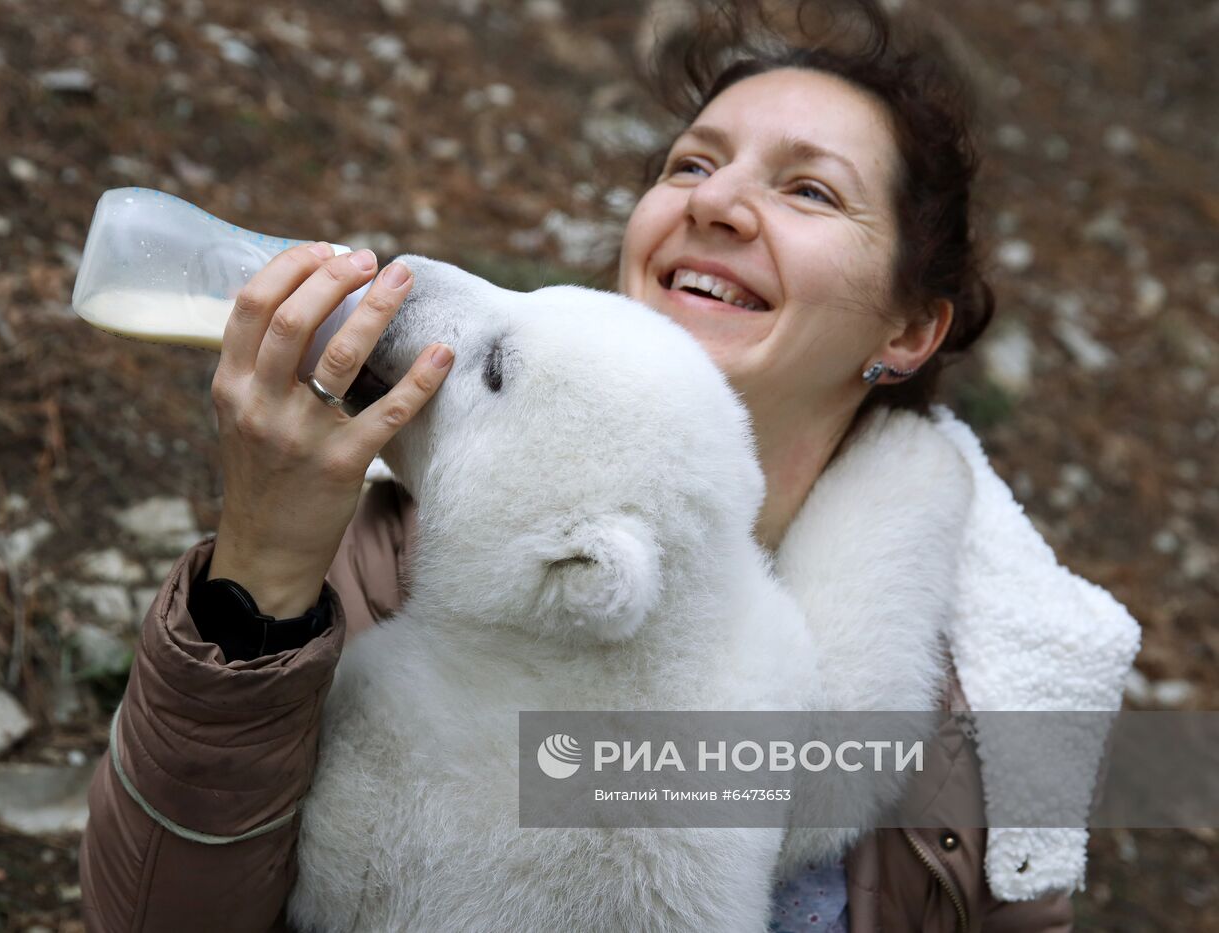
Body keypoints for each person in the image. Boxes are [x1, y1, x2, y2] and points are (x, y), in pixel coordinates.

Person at [78, 1, 1137, 930]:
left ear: (907, 329)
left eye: (810, 190)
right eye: (690, 164)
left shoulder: (995, 695)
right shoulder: (392, 549)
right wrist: (259, 578)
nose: (712, 202)